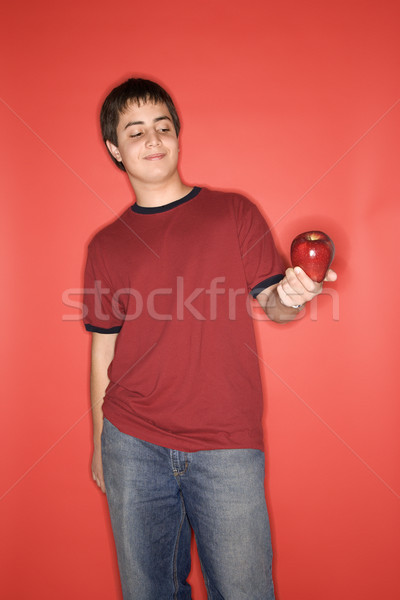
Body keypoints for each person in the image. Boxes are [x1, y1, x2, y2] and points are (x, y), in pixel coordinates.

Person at [83, 78, 337, 600]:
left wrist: (294, 294)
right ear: (116, 149)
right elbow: (103, 347)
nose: (153, 139)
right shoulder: (106, 246)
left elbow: (274, 307)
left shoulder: (233, 212)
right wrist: (98, 442)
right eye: (136, 131)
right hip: (131, 441)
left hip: (226, 443)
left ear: (178, 137)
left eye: (163, 127)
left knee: (245, 591)